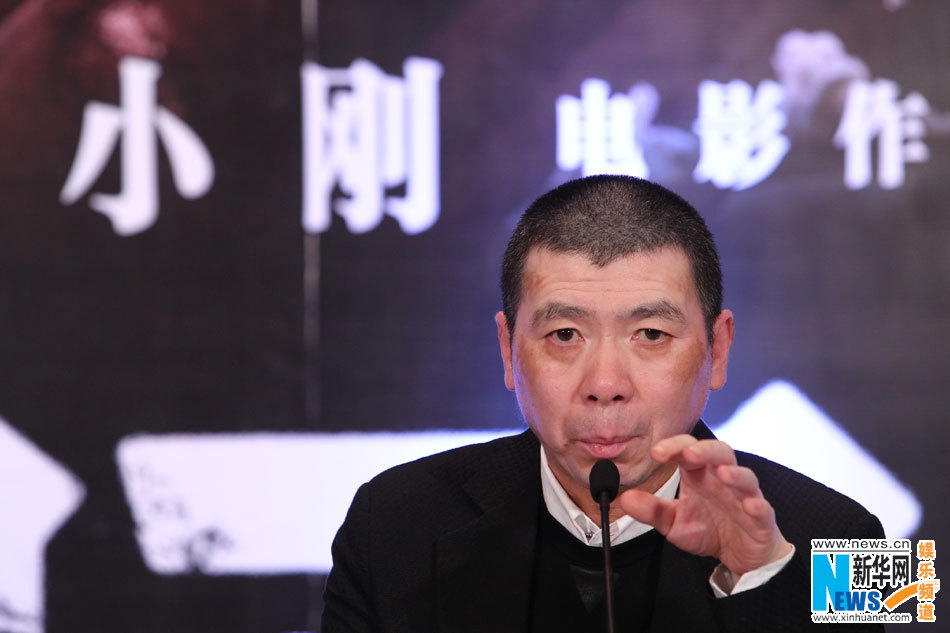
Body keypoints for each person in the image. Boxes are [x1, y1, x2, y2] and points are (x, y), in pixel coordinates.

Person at [321, 175, 884, 632]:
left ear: (717, 349)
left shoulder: (852, 535)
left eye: (651, 334)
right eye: (565, 335)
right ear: (508, 350)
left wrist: (760, 577)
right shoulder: (390, 523)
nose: (606, 383)